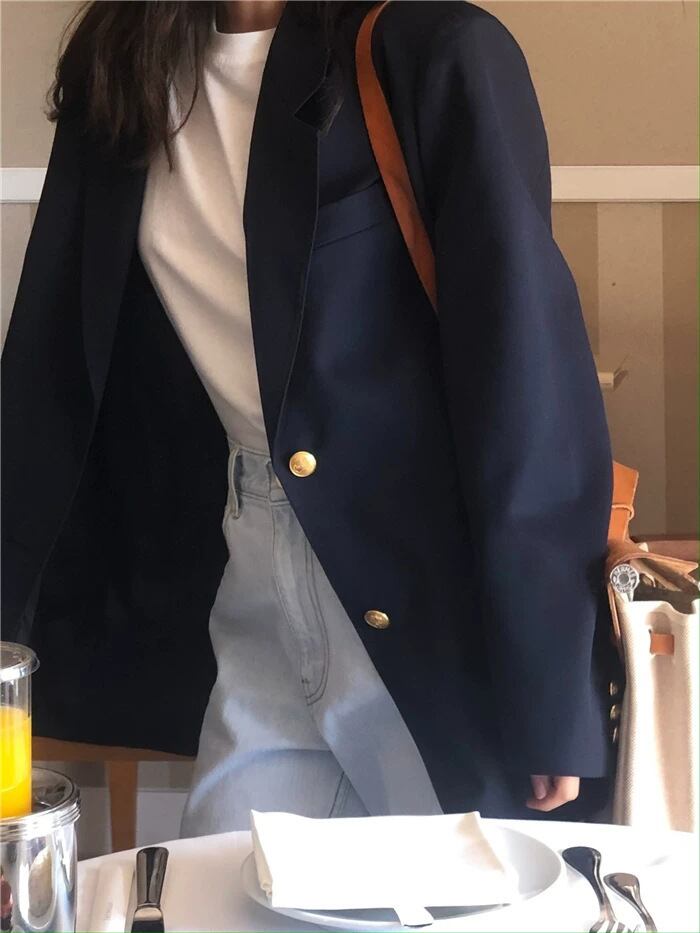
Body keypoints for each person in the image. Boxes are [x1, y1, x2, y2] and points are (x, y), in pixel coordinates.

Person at [1, 0, 620, 835]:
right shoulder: (119, 68)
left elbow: (526, 371)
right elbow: (51, 367)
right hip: (247, 576)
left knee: (464, 891)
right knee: (222, 888)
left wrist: (551, 684)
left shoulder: (435, 51)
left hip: (432, 597)